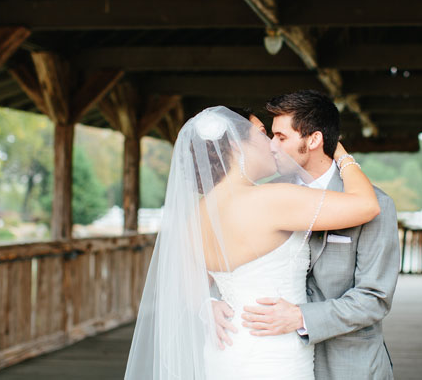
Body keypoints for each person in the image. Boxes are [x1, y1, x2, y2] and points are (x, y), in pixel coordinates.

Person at [124, 105, 381, 380]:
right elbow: (367, 205)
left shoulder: (195, 216)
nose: (272, 144)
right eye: (261, 133)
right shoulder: (272, 199)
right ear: (236, 145)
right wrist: (339, 152)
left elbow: (185, 284)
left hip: (224, 350)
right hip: (274, 357)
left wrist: (206, 305)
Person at [215, 90, 400, 379]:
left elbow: (374, 298)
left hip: (348, 365)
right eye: (269, 135)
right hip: (274, 359)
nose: (271, 146)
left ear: (313, 140)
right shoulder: (265, 196)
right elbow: (228, 256)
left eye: (281, 137)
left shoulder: (377, 204)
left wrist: (301, 317)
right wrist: (210, 302)